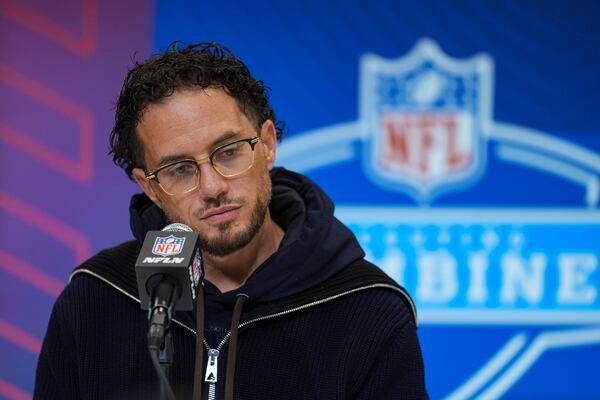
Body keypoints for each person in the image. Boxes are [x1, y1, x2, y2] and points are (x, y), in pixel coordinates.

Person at [34, 42, 427, 400]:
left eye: (228, 152)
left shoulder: (368, 309)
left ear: (268, 145)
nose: (212, 187)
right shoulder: (97, 298)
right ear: (149, 187)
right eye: (179, 169)